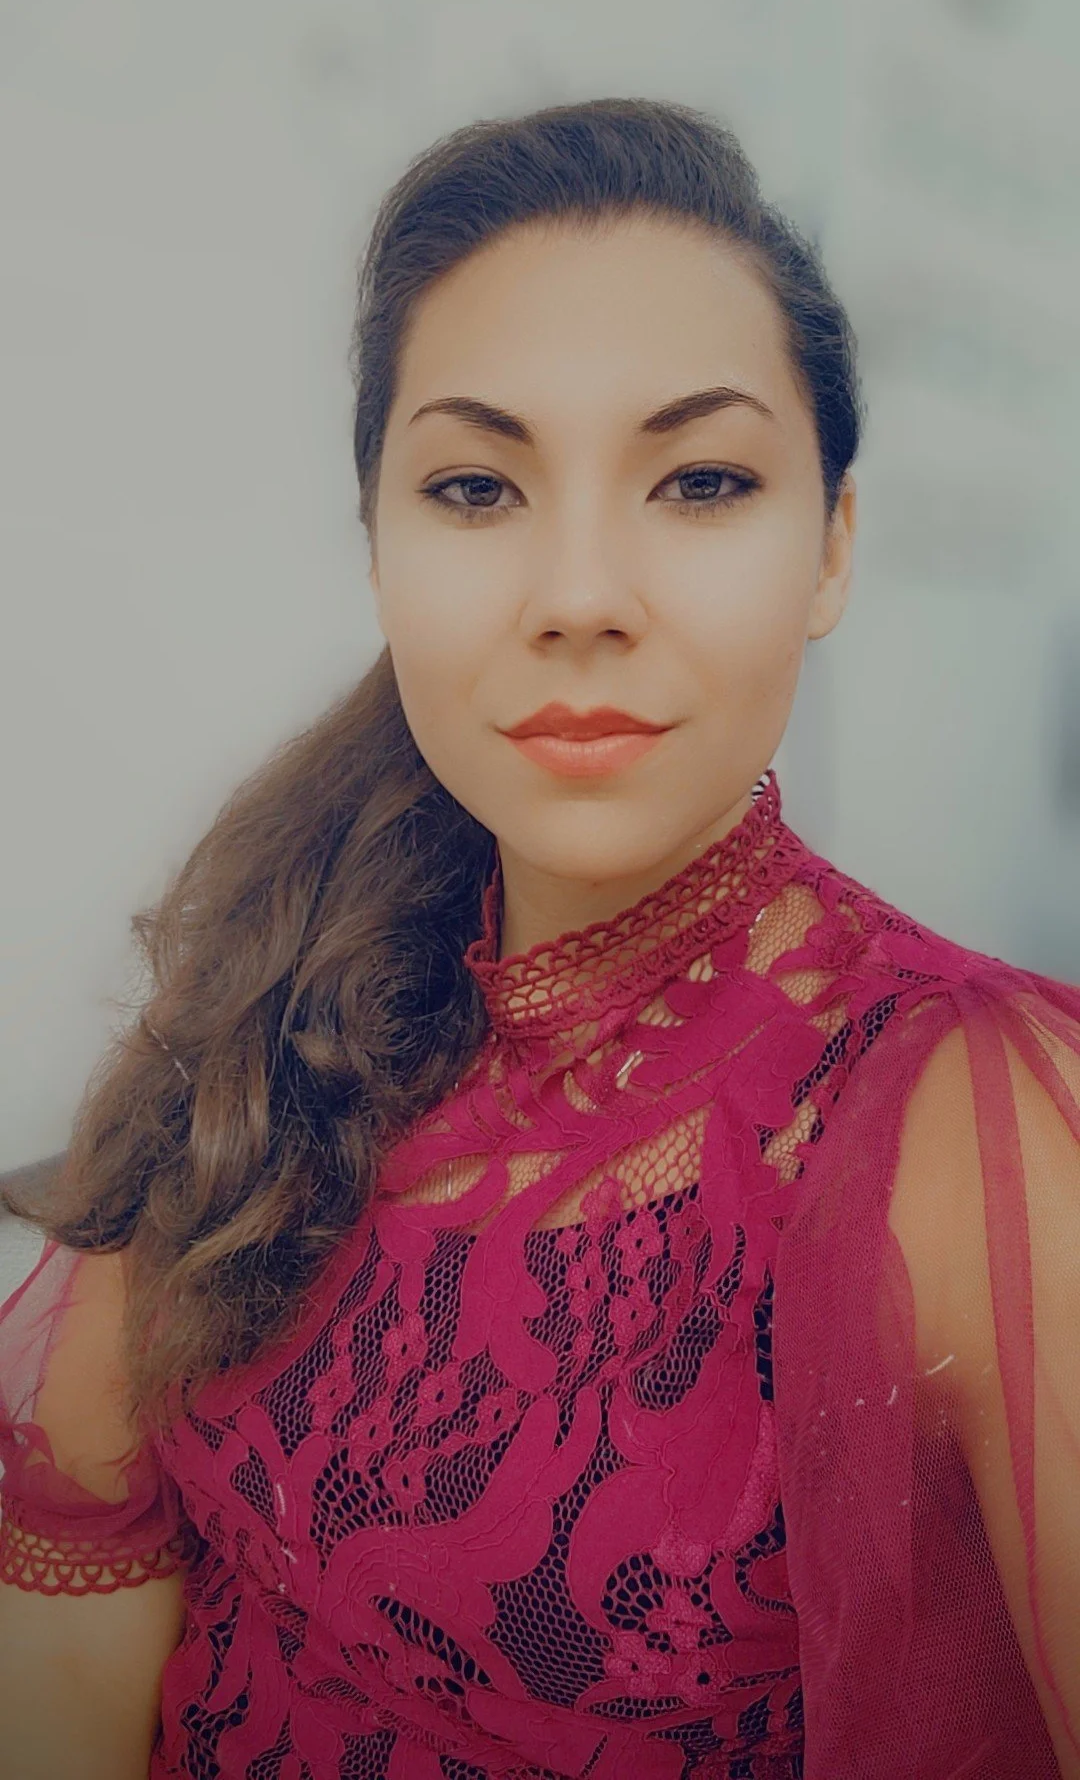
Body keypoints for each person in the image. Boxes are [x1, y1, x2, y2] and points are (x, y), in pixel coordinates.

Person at [0, 97, 1077, 1780]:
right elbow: (68, 1651)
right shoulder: (271, 997)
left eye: (702, 481)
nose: (581, 591)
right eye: (478, 485)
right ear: (378, 548)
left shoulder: (970, 1121)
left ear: (831, 552)